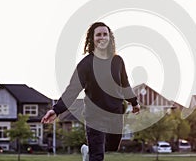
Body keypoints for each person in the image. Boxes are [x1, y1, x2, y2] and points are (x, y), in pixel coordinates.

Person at [41, 22, 140, 161]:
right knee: (97, 156)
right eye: (98, 34)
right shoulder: (86, 64)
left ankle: (89, 150)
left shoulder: (118, 61)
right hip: (95, 115)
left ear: (109, 37)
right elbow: (72, 90)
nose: (102, 37)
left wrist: (134, 102)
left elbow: (125, 84)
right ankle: (92, 152)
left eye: (105, 34)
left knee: (112, 146)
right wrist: (56, 110)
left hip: (115, 112)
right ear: (92, 39)